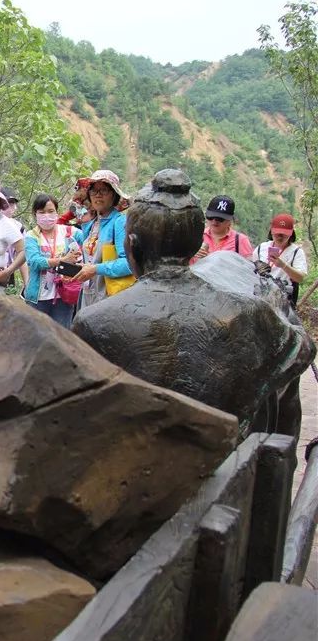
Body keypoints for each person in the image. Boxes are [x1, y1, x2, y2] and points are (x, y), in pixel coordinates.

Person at [73, 169, 315, 441]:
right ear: (197, 241)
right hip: (228, 454)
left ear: (133, 245)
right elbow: (301, 349)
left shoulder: (93, 321)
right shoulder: (250, 312)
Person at [71, 169, 133, 307]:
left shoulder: (119, 222)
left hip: (110, 299)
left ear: (114, 195)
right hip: (89, 295)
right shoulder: (92, 225)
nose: (98, 195)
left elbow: (129, 264)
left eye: (104, 190)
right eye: (94, 191)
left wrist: (95, 269)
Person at [23, 193, 81, 328]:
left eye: (50, 211)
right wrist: (62, 260)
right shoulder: (32, 236)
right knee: (37, 336)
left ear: (57, 212)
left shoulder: (69, 232)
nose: (47, 216)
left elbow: (90, 243)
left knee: (62, 335)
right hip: (38, 297)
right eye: (42, 212)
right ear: (35, 214)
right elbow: (34, 261)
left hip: (64, 295)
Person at [254, 213, 307, 305]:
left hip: (284, 301)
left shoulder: (296, 252)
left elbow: (300, 278)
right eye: (277, 233)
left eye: (284, 234)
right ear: (271, 231)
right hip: (260, 298)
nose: (280, 236)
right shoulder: (261, 248)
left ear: (291, 234)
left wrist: (283, 265)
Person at [192, 195, 254, 263]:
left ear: (229, 220)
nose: (214, 221)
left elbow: (248, 268)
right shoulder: (196, 236)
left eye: (220, 219)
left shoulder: (240, 241)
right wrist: (191, 253)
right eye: (210, 217)